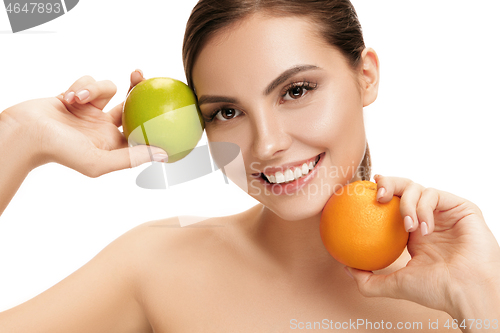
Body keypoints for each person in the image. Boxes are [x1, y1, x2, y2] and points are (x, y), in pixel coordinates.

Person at [1, 0, 499, 332]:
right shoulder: (156, 267)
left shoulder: (456, 284)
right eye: (227, 112)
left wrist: (479, 297)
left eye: (296, 91)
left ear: (365, 76)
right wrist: (19, 137)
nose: (268, 144)